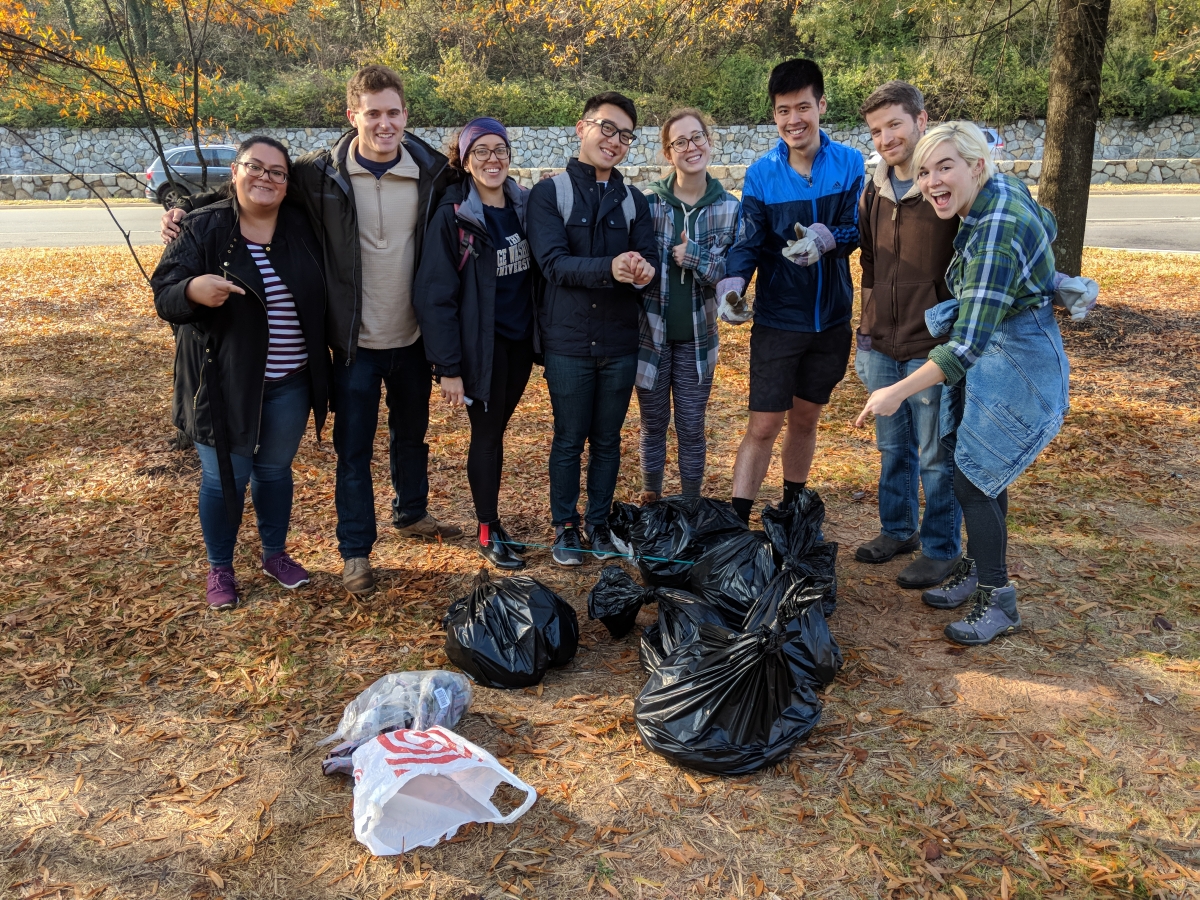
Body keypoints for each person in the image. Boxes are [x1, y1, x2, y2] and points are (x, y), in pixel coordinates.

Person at [162, 65, 461, 596]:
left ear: (405, 115)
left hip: (414, 339)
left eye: (393, 112)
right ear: (354, 116)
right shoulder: (317, 175)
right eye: (373, 113)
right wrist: (184, 210)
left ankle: (412, 512)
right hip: (351, 345)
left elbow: (485, 186)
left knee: (411, 439)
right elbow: (252, 186)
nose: (384, 123)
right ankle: (355, 553)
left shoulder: (434, 173)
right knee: (353, 452)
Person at [856, 121, 1070, 646]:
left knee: (975, 477)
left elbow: (967, 345)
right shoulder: (995, 193)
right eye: (925, 172)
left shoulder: (996, 226)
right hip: (1001, 347)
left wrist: (895, 393)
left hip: (1019, 358)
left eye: (944, 167)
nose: (931, 183)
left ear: (977, 165)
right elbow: (1049, 221)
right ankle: (978, 569)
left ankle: (998, 599)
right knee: (970, 462)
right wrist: (1047, 279)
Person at [152, 137, 331, 609]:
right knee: (223, 479)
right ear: (235, 170)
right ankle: (221, 568)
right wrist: (191, 288)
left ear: (288, 184)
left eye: (278, 172)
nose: (266, 178)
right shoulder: (204, 229)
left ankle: (275, 554)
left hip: (292, 381)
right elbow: (163, 294)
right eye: (255, 167)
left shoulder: (302, 226)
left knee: (273, 472)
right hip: (223, 383)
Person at [716, 59, 864, 525]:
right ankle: (737, 519)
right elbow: (749, 240)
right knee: (763, 423)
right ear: (774, 115)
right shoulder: (761, 173)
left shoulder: (850, 163)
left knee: (805, 418)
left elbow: (859, 229)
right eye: (783, 110)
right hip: (779, 319)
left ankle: (792, 505)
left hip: (832, 319)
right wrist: (733, 285)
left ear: (821, 105)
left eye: (803, 107)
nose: (793, 119)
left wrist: (829, 239)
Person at [526, 92, 659, 566]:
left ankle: (599, 524)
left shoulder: (633, 201)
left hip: (620, 340)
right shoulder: (550, 193)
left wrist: (644, 271)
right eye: (607, 128)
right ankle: (566, 526)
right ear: (582, 127)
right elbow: (553, 264)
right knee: (568, 437)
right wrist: (613, 266)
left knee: (607, 439)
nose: (615, 141)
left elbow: (650, 261)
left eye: (625, 135)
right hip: (568, 341)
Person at [413, 118, 538, 570]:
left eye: (500, 150)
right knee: (486, 437)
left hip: (519, 344)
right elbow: (435, 295)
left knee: (496, 434)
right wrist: (447, 367)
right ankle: (486, 530)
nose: (492, 159)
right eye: (481, 151)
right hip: (479, 350)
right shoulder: (454, 217)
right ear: (464, 161)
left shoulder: (524, 206)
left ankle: (495, 523)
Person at [854, 81, 964, 590]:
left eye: (894, 124)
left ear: (921, 121)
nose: (885, 137)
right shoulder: (872, 190)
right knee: (891, 449)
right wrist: (866, 327)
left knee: (935, 454)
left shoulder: (943, 187)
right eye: (876, 130)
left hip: (931, 347)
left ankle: (941, 548)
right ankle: (897, 530)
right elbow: (870, 265)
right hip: (882, 342)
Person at [635, 109, 740, 503]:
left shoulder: (729, 209)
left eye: (697, 138)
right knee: (653, 423)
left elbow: (730, 276)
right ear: (668, 152)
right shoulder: (649, 205)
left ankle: (692, 502)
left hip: (699, 341)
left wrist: (694, 255)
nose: (691, 147)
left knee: (692, 425)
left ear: (709, 143)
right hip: (650, 337)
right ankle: (652, 496)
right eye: (680, 142)